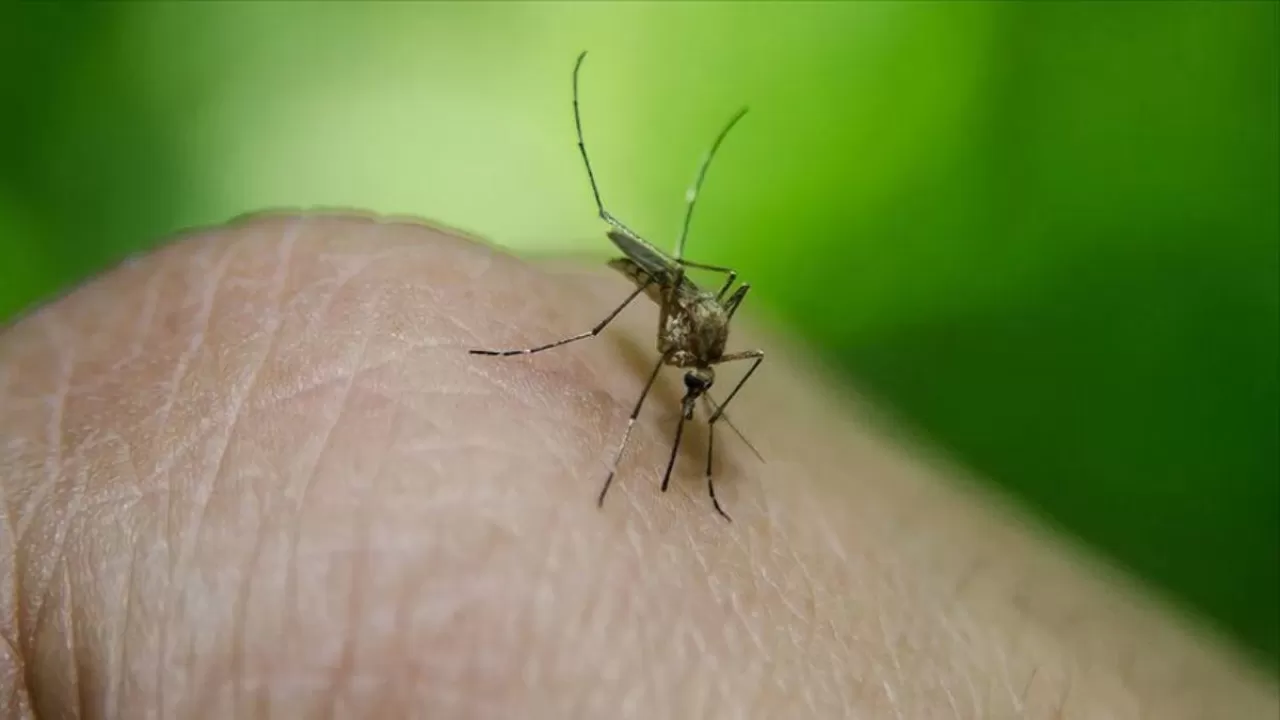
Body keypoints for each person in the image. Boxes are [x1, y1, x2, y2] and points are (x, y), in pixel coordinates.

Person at [1, 212, 1274, 718]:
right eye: (695, 366)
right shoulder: (674, 320)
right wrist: (647, 360)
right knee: (643, 327)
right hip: (657, 283)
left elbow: (716, 353)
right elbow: (676, 322)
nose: (696, 373)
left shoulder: (714, 357)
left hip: (693, 308)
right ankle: (559, 346)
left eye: (701, 373)